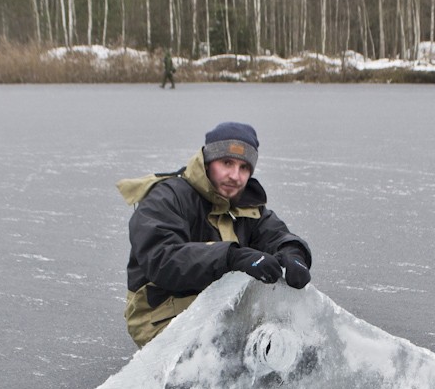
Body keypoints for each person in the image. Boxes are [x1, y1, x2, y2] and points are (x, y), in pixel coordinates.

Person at [117, 122, 312, 347]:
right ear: (208, 162)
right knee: (229, 360)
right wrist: (231, 257)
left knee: (299, 348)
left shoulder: (246, 205)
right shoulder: (166, 198)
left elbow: (275, 234)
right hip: (161, 311)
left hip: (218, 306)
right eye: (227, 163)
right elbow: (162, 260)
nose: (235, 176)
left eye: (244, 168)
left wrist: (294, 253)